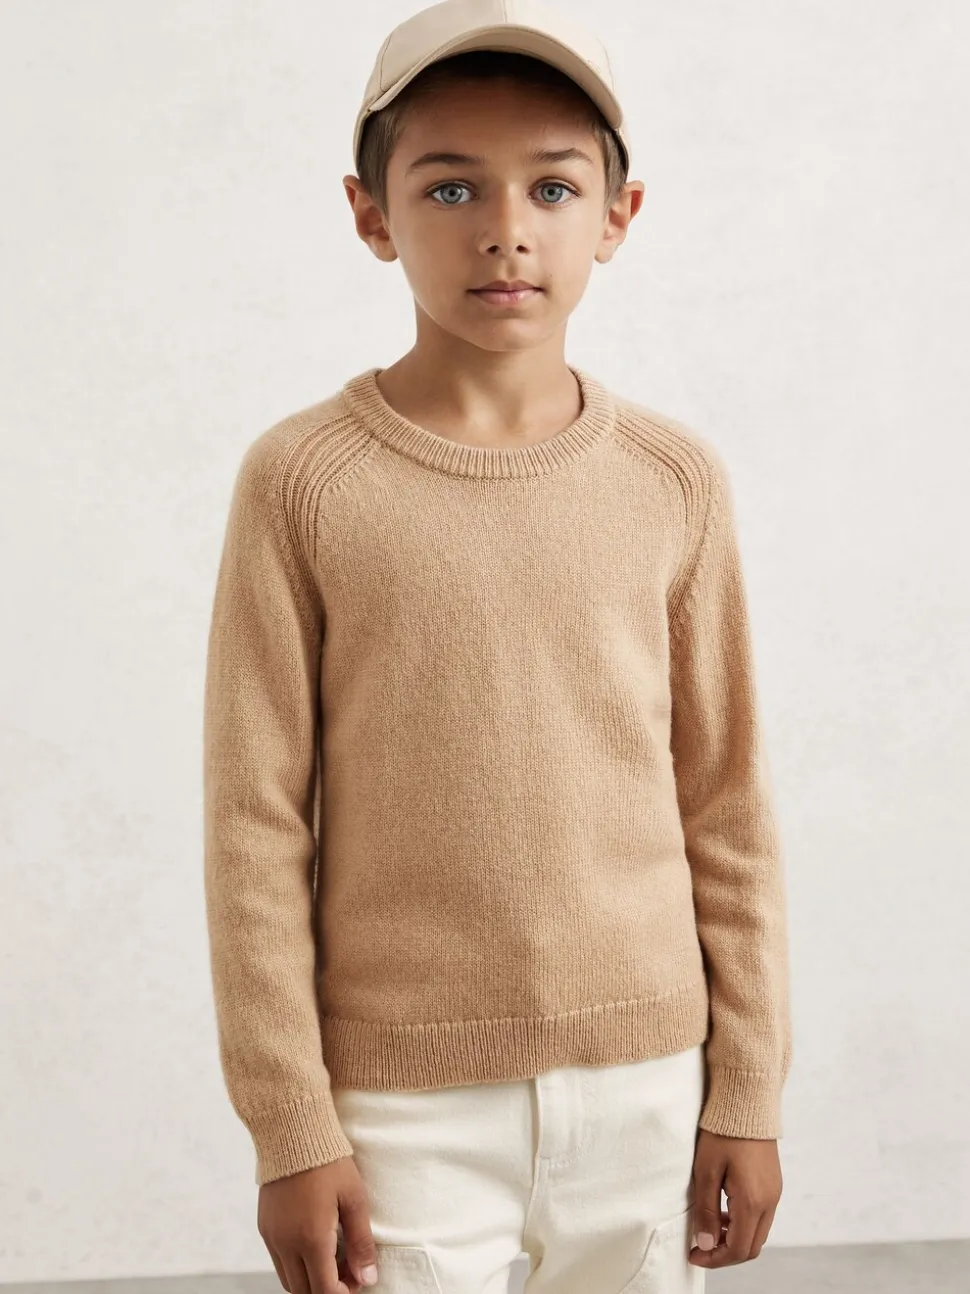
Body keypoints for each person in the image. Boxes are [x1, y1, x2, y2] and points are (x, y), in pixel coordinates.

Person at [201, 1, 794, 1291]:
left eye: (554, 187)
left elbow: (727, 800)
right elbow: (255, 824)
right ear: (372, 216)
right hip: (399, 1102)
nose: (506, 227)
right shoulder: (303, 481)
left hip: (648, 1082)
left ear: (619, 217)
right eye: (452, 185)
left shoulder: (673, 480)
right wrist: (291, 1126)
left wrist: (746, 1089)